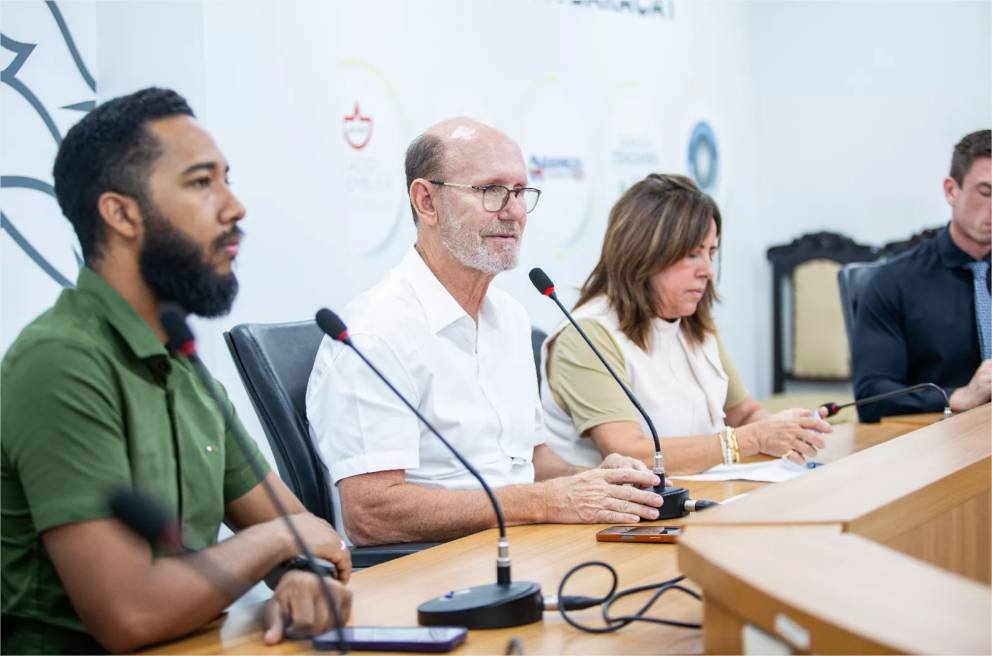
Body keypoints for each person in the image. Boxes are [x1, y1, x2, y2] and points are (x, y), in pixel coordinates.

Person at [1, 88, 352, 654]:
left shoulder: (182, 362)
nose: (234, 208)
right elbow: (130, 613)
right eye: (201, 182)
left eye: (227, 179)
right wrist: (276, 544)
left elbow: (306, 535)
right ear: (121, 214)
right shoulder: (59, 362)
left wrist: (300, 574)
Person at [307, 117, 663, 547]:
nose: (513, 212)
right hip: (434, 568)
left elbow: (530, 461)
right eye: (491, 190)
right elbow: (371, 513)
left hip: (524, 547)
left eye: (520, 192)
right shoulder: (376, 333)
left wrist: (595, 482)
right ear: (426, 201)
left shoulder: (509, 317)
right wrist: (543, 502)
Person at [541, 174, 832, 473]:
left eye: (711, 253)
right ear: (643, 253)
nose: (708, 270)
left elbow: (744, 414)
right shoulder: (586, 336)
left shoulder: (692, 322)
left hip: (704, 490)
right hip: (623, 502)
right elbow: (630, 454)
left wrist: (785, 431)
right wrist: (750, 440)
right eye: (693, 254)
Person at [852, 130, 991, 422]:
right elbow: (871, 396)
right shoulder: (894, 283)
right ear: (951, 191)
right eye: (986, 192)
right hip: (938, 437)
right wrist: (957, 396)